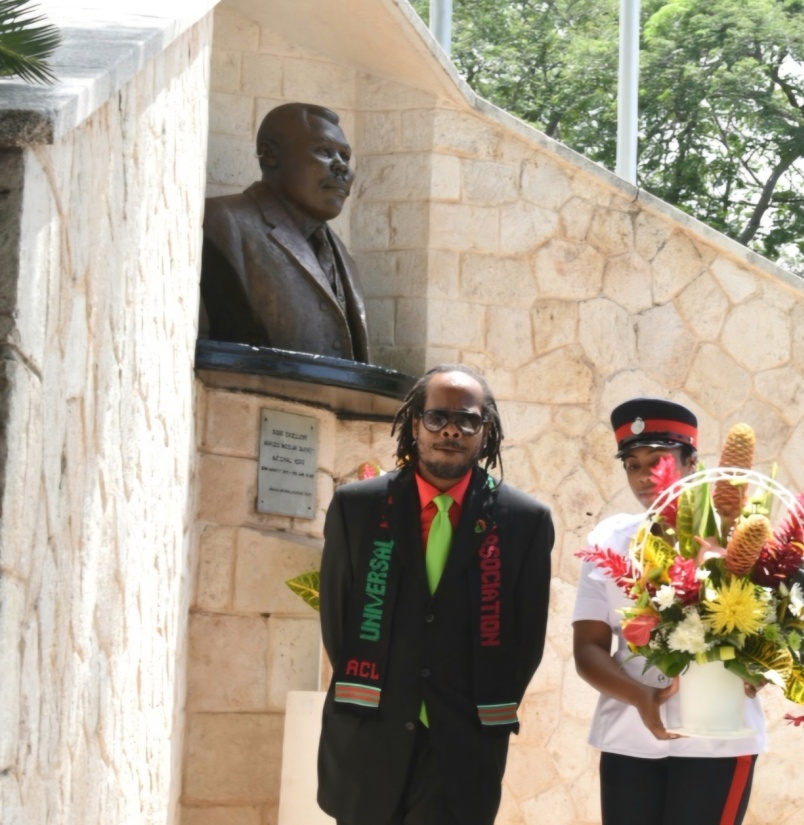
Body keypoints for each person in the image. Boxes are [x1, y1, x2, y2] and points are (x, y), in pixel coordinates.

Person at [317, 365, 555, 825]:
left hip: (463, 744)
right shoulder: (358, 508)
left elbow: (525, 640)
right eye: (437, 417)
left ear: (485, 432)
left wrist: (476, 709)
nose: (451, 429)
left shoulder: (524, 521)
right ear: (414, 423)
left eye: (467, 420)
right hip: (371, 734)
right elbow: (339, 622)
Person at [572, 398, 767, 825]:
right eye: (632, 464)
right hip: (629, 736)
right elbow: (588, 648)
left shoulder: (741, 538)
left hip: (718, 743)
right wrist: (641, 698)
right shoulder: (609, 540)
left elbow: (776, 631)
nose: (644, 475)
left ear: (691, 462)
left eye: (657, 460)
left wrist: (759, 670)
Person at [200, 102, 371, 362]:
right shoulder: (224, 222)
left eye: (345, 156)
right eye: (325, 151)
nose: (341, 167)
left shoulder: (344, 258)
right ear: (269, 154)